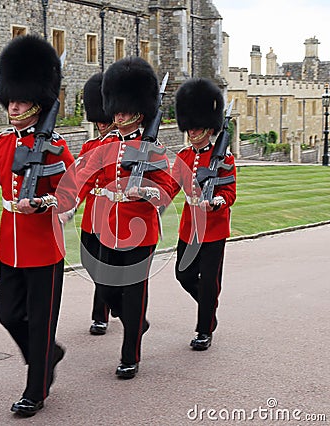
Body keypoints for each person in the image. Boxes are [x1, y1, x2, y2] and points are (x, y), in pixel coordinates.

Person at [0, 35, 77, 417]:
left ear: (37, 103)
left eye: (21, 100)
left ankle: (36, 389)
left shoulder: (58, 148)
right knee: (8, 314)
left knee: (41, 323)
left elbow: (69, 198)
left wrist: (42, 203)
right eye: (10, 99)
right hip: (10, 247)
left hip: (44, 248)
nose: (13, 105)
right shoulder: (0, 145)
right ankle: (47, 357)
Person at [76, 57, 171, 379]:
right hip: (105, 227)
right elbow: (86, 176)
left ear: (138, 112)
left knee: (133, 294)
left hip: (140, 231)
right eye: (116, 109)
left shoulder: (153, 149)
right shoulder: (105, 146)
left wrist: (146, 193)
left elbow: (167, 187)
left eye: (124, 110)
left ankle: (130, 355)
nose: (118, 115)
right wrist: (65, 203)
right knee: (104, 288)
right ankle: (135, 321)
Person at [170, 77, 236, 351]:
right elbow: (170, 186)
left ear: (209, 129)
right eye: (191, 128)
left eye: (198, 128)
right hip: (190, 228)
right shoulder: (185, 156)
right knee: (183, 274)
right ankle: (209, 310)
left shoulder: (224, 159)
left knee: (209, 282)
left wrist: (217, 202)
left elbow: (230, 193)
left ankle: (203, 329)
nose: (193, 132)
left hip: (214, 229)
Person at [77, 72, 114, 335]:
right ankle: (115, 297)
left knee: (102, 267)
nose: (101, 124)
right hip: (91, 213)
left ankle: (100, 315)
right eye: (98, 120)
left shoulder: (122, 145)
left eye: (105, 119)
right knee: (89, 262)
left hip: (111, 214)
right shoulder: (89, 145)